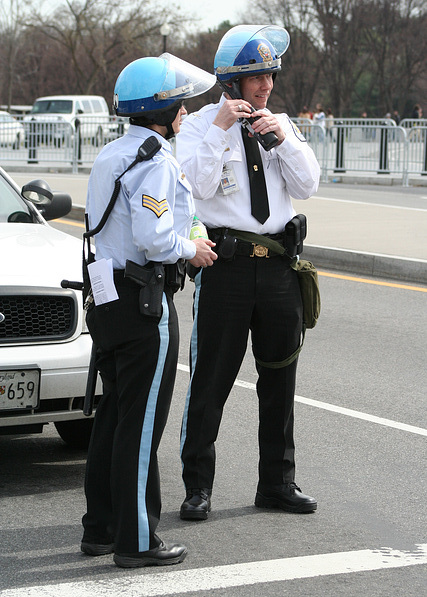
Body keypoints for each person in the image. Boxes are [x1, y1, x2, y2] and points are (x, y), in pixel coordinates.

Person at [176, 24, 320, 521]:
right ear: (231, 82)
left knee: (279, 380)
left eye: (270, 75)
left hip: (279, 269)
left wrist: (283, 141)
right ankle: (198, 487)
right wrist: (219, 129)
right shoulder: (198, 126)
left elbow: (309, 185)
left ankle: (277, 483)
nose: (266, 86)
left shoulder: (278, 122)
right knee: (211, 381)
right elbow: (194, 187)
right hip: (227, 269)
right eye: (256, 77)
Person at [80, 53, 217, 568]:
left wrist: (183, 234)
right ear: (163, 110)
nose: (185, 112)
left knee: (114, 417)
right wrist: (192, 249)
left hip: (109, 297)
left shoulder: (112, 153)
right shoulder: (156, 160)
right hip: (143, 302)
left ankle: (101, 528)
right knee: (140, 428)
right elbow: (155, 238)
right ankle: (137, 540)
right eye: (180, 104)